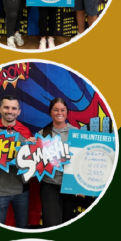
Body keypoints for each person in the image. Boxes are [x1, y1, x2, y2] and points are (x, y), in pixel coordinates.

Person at [0, 93, 35, 229]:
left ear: (19, 112)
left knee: (22, 228)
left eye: (13, 108)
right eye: (6, 108)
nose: (10, 111)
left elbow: (33, 162)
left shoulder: (25, 133)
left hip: (21, 191)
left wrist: (34, 148)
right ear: (0, 109)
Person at [36, 97, 81, 228]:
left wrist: (79, 183)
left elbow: (81, 159)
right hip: (49, 186)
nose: (59, 113)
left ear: (67, 112)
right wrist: (30, 147)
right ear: (50, 112)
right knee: (51, 225)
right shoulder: (42, 134)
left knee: (67, 222)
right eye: (55, 110)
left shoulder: (76, 132)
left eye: (62, 110)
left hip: (69, 186)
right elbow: (35, 161)